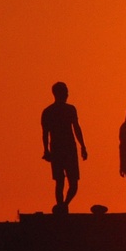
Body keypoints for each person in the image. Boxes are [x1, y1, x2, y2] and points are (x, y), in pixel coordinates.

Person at [41, 82, 87, 213]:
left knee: (73, 183)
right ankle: (61, 205)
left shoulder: (70, 109)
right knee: (59, 181)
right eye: (65, 92)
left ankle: (64, 204)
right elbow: (45, 133)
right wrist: (46, 150)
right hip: (57, 148)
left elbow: (76, 128)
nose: (67, 94)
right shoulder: (48, 112)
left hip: (70, 148)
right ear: (57, 93)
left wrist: (83, 146)